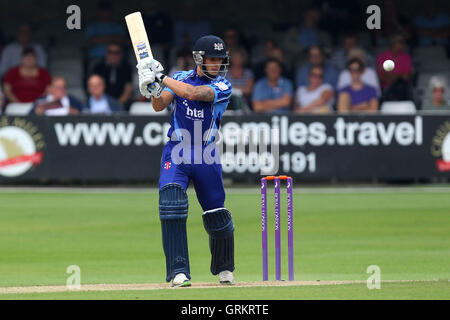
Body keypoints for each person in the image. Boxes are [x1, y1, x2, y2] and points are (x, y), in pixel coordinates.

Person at [136, 35, 235, 287]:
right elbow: (160, 106)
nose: (217, 64)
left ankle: (224, 267)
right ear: (199, 59)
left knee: (216, 214)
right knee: (171, 205)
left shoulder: (223, 86)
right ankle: (179, 272)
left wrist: (162, 77)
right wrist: (152, 89)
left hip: (206, 153)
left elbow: (193, 93)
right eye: (212, 59)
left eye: (220, 59)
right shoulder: (179, 78)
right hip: (177, 151)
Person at [91, 42, 133, 109]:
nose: (113, 55)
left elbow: (128, 89)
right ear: (106, 54)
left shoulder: (127, 68)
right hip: (101, 103)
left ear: (121, 54)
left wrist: (116, 105)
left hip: (122, 104)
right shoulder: (99, 67)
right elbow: (95, 87)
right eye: (110, 52)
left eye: (116, 52)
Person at [376, 34, 413, 101]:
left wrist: (387, 73)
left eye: (403, 42)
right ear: (392, 43)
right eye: (400, 42)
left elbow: (406, 77)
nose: (403, 44)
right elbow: (379, 77)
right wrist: (398, 76)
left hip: (401, 91)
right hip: (384, 90)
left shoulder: (406, 57)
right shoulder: (382, 56)